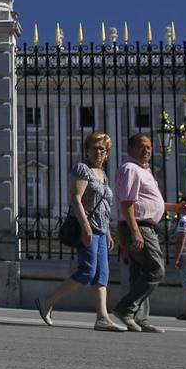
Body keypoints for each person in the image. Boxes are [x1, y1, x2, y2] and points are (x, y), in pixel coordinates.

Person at [35, 132, 125, 331]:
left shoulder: (103, 175)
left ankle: (102, 317)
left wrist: (108, 231)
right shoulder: (82, 169)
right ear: (86, 149)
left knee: (102, 274)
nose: (98, 152)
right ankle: (48, 301)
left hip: (101, 230)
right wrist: (86, 227)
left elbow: (104, 207)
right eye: (94, 148)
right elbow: (76, 199)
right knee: (87, 271)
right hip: (89, 228)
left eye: (102, 149)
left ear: (107, 153)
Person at [112, 132, 182, 333]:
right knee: (155, 269)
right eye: (142, 146)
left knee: (139, 273)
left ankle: (138, 317)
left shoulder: (143, 170)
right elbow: (127, 203)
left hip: (143, 225)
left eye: (150, 147)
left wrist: (176, 208)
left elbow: (150, 203)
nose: (147, 150)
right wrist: (135, 232)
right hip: (139, 226)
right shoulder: (130, 169)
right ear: (130, 149)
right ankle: (125, 308)